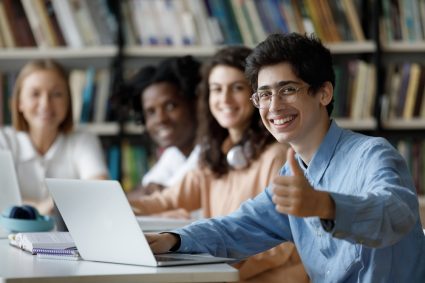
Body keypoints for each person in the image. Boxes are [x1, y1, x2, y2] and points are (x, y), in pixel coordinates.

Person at [145, 33, 425, 282]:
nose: (274, 106)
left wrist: (327, 206)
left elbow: (396, 214)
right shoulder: (292, 174)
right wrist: (172, 239)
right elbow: (237, 227)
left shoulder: (371, 154)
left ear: (324, 93)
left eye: (288, 90)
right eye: (264, 94)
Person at [130, 46, 308, 283]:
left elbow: (283, 243)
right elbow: (166, 200)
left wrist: (220, 268)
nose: (224, 100)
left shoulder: (277, 155)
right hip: (226, 272)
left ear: (256, 94)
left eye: (236, 88)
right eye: (216, 90)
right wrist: (118, 208)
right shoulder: (214, 154)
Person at [0, 59, 108, 216]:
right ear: (19, 103)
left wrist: (24, 206)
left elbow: (100, 190)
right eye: (35, 94)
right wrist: (42, 207)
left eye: (56, 94)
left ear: (68, 103)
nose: (45, 104)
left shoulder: (83, 140)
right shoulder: (4, 140)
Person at [126, 56, 201, 198]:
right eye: (151, 112)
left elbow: (168, 198)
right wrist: (151, 190)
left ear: (194, 105)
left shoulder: (211, 150)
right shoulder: (173, 153)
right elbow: (135, 195)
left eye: (170, 106)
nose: (160, 119)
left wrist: (156, 192)